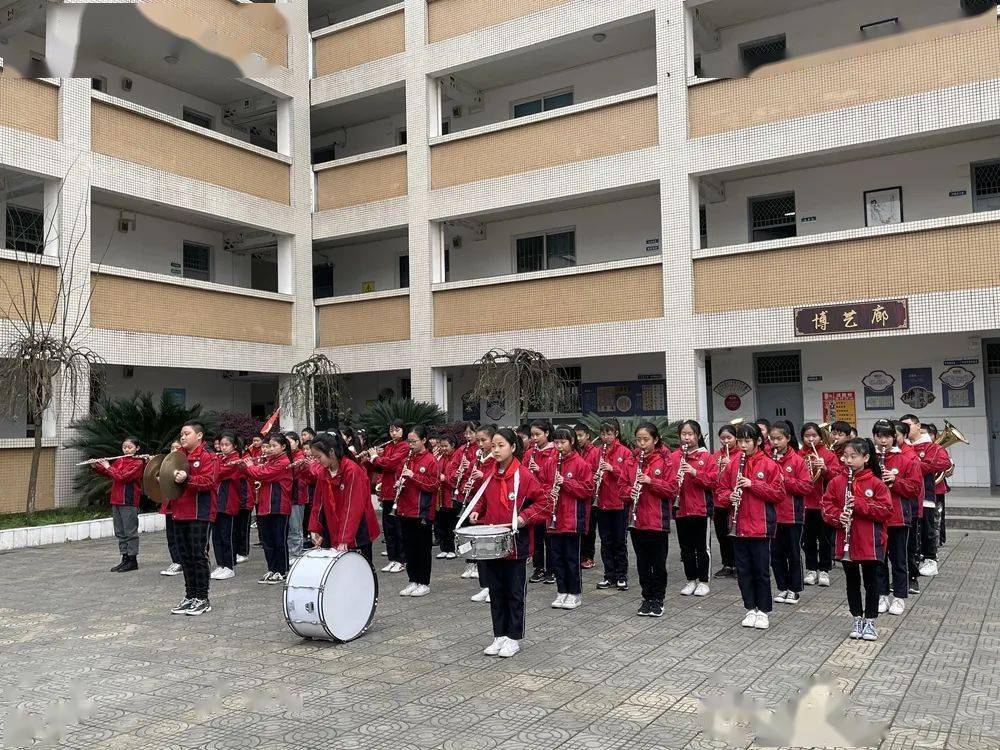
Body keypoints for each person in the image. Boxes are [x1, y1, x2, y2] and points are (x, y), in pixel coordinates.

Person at [467, 427, 549, 658]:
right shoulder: (490, 474)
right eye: (493, 446)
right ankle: (498, 635)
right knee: (496, 590)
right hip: (492, 543)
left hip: (516, 544)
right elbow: (482, 501)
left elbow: (543, 503)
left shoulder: (524, 475)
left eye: (501, 445)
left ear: (513, 448)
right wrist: (476, 512)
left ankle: (513, 637)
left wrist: (524, 518)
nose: (495, 450)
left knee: (514, 592)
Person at [821, 438, 893, 641]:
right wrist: (838, 516)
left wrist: (859, 504)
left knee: (871, 582)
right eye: (846, 456)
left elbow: (886, 511)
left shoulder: (876, 483)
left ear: (866, 458)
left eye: (854, 456)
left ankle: (870, 620)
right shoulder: (836, 482)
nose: (848, 460)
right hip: (847, 539)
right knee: (851, 582)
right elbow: (826, 507)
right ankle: (856, 617)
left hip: (869, 540)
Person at [716, 423, 784, 630]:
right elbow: (720, 491)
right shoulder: (732, 463)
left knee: (761, 570)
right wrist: (730, 496)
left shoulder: (770, 464)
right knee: (744, 570)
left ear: (758, 441)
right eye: (741, 441)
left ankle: (763, 610)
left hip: (761, 525)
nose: (743, 445)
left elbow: (779, 494)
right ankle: (750, 608)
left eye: (748, 441)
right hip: (738, 526)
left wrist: (753, 485)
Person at [168, 422, 219, 616]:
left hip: (200, 513)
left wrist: (187, 479)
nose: (183, 437)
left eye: (187, 434)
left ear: (199, 436)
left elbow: (209, 481)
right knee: (186, 556)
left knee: (199, 555)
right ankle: (190, 596)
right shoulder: (176, 457)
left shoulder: (208, 457)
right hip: (179, 512)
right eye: (181, 434)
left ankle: (202, 598)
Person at [541, 427, 595, 610]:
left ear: (571, 442)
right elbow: (541, 487)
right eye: (556, 442)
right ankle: (561, 591)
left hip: (573, 519)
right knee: (556, 557)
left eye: (563, 442)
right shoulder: (550, 463)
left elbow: (588, 490)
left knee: (572, 558)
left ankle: (575, 593)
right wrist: (550, 492)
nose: (559, 446)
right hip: (554, 518)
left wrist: (565, 482)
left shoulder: (581, 463)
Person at [872, 420, 921, 616]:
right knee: (879, 560)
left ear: (894, 438)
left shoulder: (906, 460)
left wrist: (895, 481)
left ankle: (899, 597)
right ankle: (882, 594)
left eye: (887, 436)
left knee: (899, 560)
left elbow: (915, 489)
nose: (883, 440)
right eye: (879, 436)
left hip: (898, 517)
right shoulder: (869, 459)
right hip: (876, 517)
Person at [308, 433, 380, 562]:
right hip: (334, 526)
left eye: (318, 457)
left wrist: (345, 538)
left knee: (360, 570)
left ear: (331, 452)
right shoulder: (324, 471)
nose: (317, 461)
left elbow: (353, 507)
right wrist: (316, 529)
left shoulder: (351, 471)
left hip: (357, 529)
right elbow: (318, 502)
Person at [626, 422, 673, 618]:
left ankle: (658, 599)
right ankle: (646, 598)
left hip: (657, 520)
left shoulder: (665, 462)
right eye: (639, 440)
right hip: (637, 521)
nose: (642, 444)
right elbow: (621, 488)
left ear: (656, 440)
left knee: (658, 563)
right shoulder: (631, 462)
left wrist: (651, 482)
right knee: (642, 563)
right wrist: (631, 491)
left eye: (646, 440)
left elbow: (672, 490)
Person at [668, 420, 717, 598]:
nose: (687, 437)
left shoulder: (706, 457)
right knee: (685, 548)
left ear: (697, 436)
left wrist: (695, 473)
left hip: (701, 509)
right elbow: (669, 483)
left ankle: (704, 581)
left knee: (702, 548)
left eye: (690, 434)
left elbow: (713, 482)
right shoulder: (675, 457)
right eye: (683, 434)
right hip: (681, 508)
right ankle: (691, 579)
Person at [900, 414, 950, 577]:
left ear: (918, 425)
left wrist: (917, 466)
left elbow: (945, 462)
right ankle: (914, 559)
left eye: (908, 425)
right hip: (906, 494)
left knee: (928, 527)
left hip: (926, 493)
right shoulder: (902, 446)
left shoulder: (932, 447)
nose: (906, 429)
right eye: (902, 426)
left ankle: (930, 559)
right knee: (911, 529)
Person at [768, 421, 810, 606]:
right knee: (775, 554)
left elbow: (806, 486)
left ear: (788, 438)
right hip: (772, 515)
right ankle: (782, 587)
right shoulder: (767, 459)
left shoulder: (798, 461)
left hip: (792, 515)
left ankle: (794, 589)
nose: (775, 442)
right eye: (772, 439)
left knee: (793, 553)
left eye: (779, 438)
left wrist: (785, 480)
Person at [395, 425, 440, 598]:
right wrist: (399, 484)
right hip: (405, 509)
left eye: (414, 441)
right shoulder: (408, 458)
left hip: (422, 512)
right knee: (409, 548)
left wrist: (413, 475)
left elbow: (433, 484)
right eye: (409, 441)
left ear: (424, 440)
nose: (410, 445)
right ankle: (412, 580)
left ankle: (424, 582)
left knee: (422, 549)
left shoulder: (430, 460)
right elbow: (401, 477)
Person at [244, 433, 294, 584]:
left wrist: (250, 466)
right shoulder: (269, 461)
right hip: (265, 505)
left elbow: (262, 474)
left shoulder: (284, 461)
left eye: (274, 446)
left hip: (278, 506)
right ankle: (272, 569)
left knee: (279, 540)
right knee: (267, 540)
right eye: (269, 446)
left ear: (283, 447)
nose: (270, 449)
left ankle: (282, 570)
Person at [92, 437, 145, 572]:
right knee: (120, 531)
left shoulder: (138, 463)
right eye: (124, 447)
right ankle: (125, 558)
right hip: (116, 499)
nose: (126, 449)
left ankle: (133, 560)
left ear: (137, 449)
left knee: (130, 532)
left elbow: (122, 477)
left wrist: (108, 466)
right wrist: (97, 466)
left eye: (130, 447)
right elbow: (108, 473)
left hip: (128, 500)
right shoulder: (120, 460)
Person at [366, 420, 410, 574]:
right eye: (391, 430)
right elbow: (380, 467)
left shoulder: (405, 446)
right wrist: (372, 458)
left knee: (398, 529)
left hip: (397, 492)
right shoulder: (389, 446)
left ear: (403, 431)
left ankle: (401, 560)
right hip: (386, 492)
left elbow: (391, 464)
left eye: (396, 430)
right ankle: (392, 559)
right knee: (388, 528)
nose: (393, 433)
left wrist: (376, 457)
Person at [594, 419, 633, 592]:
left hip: (619, 503)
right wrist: (595, 477)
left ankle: (621, 575)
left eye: (608, 433)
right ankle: (609, 575)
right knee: (605, 541)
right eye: (602, 434)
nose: (605, 437)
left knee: (619, 541)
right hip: (602, 503)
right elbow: (590, 470)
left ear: (616, 433)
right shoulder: (598, 452)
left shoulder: (624, 452)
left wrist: (612, 468)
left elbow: (629, 475)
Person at [800, 422, 840, 587]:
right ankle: (811, 569)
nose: (810, 439)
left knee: (824, 539)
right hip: (805, 503)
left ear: (819, 436)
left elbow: (838, 475)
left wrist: (825, 468)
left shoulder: (828, 454)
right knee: (807, 539)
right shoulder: (799, 454)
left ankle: (824, 570)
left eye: (814, 436)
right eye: (807, 436)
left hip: (822, 503)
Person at [525, 420, 557, 584]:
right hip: (533, 498)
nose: (534, 438)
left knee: (549, 536)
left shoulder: (554, 452)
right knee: (536, 536)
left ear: (546, 433)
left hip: (548, 498)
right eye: (532, 435)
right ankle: (539, 568)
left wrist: (539, 470)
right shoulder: (530, 452)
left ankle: (552, 569)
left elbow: (555, 476)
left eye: (538, 434)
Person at [211, 432, 243, 580]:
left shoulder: (235, 460)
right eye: (221, 445)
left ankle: (229, 566)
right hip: (217, 502)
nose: (223, 447)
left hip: (228, 502)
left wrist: (213, 462)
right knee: (216, 536)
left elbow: (219, 473)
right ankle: (221, 564)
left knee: (227, 535)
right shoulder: (220, 458)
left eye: (226, 445)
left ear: (234, 446)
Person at [712, 424, 738, 579]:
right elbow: (711, 479)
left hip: (735, 500)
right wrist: (717, 468)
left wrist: (730, 466)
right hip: (719, 501)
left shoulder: (740, 455)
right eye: (723, 438)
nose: (726, 441)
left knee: (734, 535)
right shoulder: (716, 456)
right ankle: (727, 564)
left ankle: (737, 565)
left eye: (729, 438)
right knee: (722, 535)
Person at [574, 423, 600, 570]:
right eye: (576, 436)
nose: (578, 439)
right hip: (577, 493)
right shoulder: (574, 452)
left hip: (591, 494)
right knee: (579, 526)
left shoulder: (595, 451)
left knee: (589, 528)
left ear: (587, 436)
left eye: (581, 435)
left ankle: (588, 556)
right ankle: (578, 555)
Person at [160, 439, 184, 576]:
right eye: (172, 447)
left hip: (179, 505)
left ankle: (181, 561)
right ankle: (175, 561)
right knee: (171, 535)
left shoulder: (183, 464)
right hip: (169, 505)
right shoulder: (167, 464)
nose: (174, 450)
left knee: (179, 535)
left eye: (177, 447)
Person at [434, 433, 460, 560]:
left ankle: (452, 549)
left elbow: (456, 479)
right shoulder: (440, 457)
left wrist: (445, 478)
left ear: (453, 445)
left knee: (451, 525)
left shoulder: (456, 458)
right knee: (441, 524)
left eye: (446, 446)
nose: (443, 449)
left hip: (451, 497)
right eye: (441, 446)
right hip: (440, 497)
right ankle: (444, 548)